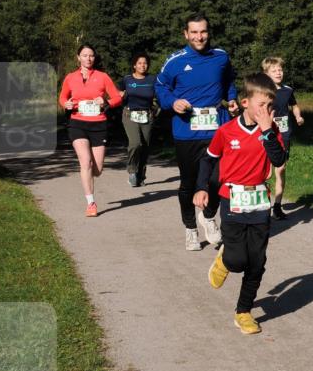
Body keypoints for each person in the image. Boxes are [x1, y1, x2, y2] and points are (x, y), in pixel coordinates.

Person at [194, 73, 287, 334]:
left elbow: (279, 160)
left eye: (270, 105)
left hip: (259, 203)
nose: (266, 110)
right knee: (237, 260)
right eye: (261, 105)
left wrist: (267, 131)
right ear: (245, 102)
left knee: (257, 262)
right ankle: (225, 262)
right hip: (232, 200)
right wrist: (201, 187)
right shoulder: (226, 131)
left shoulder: (271, 130)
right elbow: (208, 159)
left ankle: (243, 311)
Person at [156, 14, 239, 251]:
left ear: (208, 32)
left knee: (219, 178)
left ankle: (209, 215)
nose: (199, 37)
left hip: (217, 130)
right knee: (188, 183)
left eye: (203, 32)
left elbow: (228, 81)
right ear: (186, 34)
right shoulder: (175, 61)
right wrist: (172, 102)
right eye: (194, 32)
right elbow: (160, 87)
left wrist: (232, 99)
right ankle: (190, 228)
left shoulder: (221, 56)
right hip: (187, 132)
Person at [58, 44, 122, 217]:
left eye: (91, 55)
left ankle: (89, 173)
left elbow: (117, 97)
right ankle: (91, 203)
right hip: (77, 123)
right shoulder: (70, 77)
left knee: (97, 169)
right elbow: (63, 97)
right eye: (85, 55)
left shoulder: (103, 77)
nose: (88, 58)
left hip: (98, 125)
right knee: (85, 162)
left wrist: (106, 102)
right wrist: (65, 104)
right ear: (78, 57)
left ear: (94, 58)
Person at [261, 56, 304, 219]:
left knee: (281, 169)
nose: (279, 73)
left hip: (284, 133)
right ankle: (261, 203)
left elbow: (294, 105)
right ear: (266, 74)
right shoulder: (263, 91)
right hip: (266, 133)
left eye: (280, 70)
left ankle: (277, 206)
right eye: (274, 71)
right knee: (265, 172)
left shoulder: (287, 90)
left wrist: (298, 116)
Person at [118, 52, 158, 188]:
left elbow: (159, 95)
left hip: (147, 115)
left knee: (145, 147)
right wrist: (120, 94)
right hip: (130, 114)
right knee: (135, 143)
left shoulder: (152, 79)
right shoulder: (127, 79)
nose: (143, 65)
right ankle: (132, 170)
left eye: (145, 63)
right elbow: (116, 92)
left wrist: (157, 108)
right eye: (139, 63)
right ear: (134, 65)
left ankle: (140, 176)